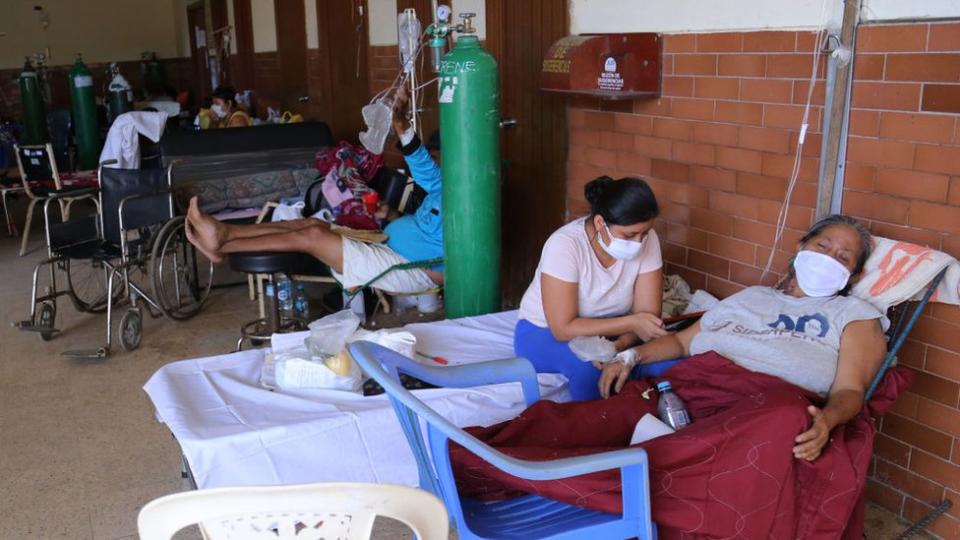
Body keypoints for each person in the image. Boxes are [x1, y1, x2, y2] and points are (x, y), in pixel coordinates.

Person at [449, 215, 891, 537]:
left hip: (766, 409)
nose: (829, 258)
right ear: (801, 248)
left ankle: (604, 476)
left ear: (852, 274)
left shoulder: (855, 317)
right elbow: (681, 344)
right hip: (694, 390)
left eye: (843, 256)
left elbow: (851, 390)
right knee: (573, 420)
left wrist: (829, 421)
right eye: (823, 246)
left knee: (784, 416)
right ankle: (475, 459)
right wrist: (631, 356)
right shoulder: (752, 297)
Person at [184, 88, 444, 295]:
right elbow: (422, 167)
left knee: (312, 235)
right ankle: (223, 237)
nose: (434, 163)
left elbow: (443, 244)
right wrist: (389, 214)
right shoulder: (444, 184)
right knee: (309, 223)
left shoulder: (474, 202)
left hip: (412, 268)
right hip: (388, 244)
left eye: (437, 157)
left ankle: (224, 240)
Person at [515, 176, 666, 400]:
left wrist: (620, 347)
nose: (638, 242)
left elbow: (648, 316)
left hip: (615, 332)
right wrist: (633, 322)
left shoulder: (648, 240)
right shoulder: (565, 244)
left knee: (666, 363)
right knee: (590, 371)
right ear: (599, 223)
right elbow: (562, 328)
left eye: (644, 234)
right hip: (543, 332)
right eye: (629, 235)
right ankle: (597, 429)